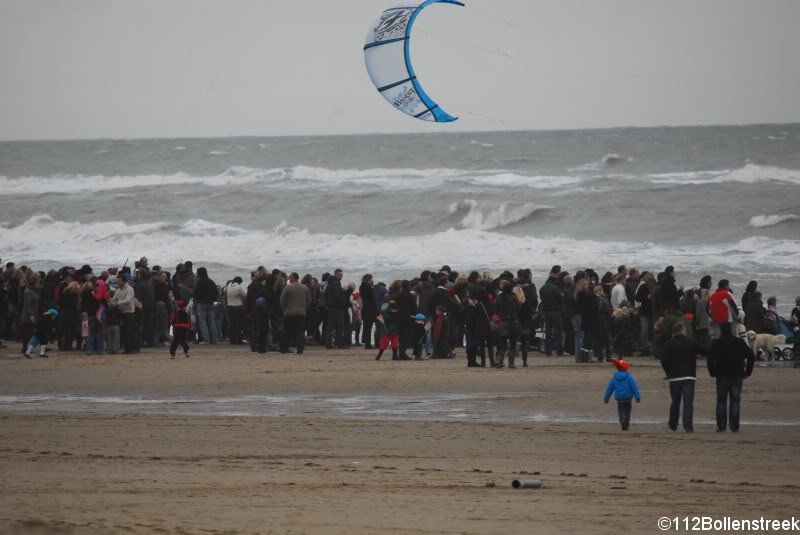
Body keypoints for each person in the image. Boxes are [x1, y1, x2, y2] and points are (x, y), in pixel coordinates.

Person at [707, 322, 755, 432]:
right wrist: (748, 371)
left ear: (721, 331)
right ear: (731, 330)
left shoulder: (717, 343)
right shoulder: (739, 342)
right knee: (735, 400)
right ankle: (734, 426)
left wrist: (712, 372)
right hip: (738, 374)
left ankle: (722, 426)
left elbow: (710, 359)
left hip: (722, 374)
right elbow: (751, 356)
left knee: (721, 400)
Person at [661, 322, 707, 432]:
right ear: (682, 329)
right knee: (688, 402)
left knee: (675, 402)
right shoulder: (691, 341)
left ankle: (673, 424)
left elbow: (663, 360)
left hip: (675, 377)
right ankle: (688, 426)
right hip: (689, 376)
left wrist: (668, 372)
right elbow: (705, 350)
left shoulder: (669, 344)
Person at [603, 357, 641, 431]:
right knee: (628, 411)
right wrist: (637, 397)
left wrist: (606, 398)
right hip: (628, 398)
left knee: (621, 411)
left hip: (620, 398)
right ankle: (626, 423)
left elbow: (609, 389)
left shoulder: (614, 378)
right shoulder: (629, 377)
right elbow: (634, 387)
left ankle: (622, 420)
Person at [279, 272, 312, 354]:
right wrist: (304, 308)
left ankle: (284, 348)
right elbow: (309, 300)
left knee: (287, 331)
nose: (289, 279)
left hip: (289, 313)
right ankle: (300, 349)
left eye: (290, 277)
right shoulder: (304, 287)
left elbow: (282, 300)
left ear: (293, 278)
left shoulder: (288, 288)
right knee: (300, 332)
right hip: (301, 313)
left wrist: (284, 309)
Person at [111, 272, 138, 354]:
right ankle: (126, 348)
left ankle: (130, 349)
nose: (117, 282)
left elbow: (128, 300)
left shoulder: (130, 289)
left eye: (119, 281)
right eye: (117, 281)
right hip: (120, 313)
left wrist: (117, 303)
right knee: (123, 331)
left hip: (129, 313)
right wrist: (111, 303)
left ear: (123, 281)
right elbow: (114, 299)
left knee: (129, 331)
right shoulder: (118, 290)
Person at [539, 270, 564, 356]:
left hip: (546, 312)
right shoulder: (555, 288)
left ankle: (548, 351)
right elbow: (561, 299)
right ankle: (559, 351)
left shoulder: (542, 288)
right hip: (555, 312)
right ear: (554, 279)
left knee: (548, 333)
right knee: (558, 332)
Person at [193, 267, 219, 344]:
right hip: (211, 303)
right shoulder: (211, 281)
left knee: (203, 322)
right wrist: (212, 300)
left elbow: (196, 293)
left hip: (202, 304)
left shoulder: (199, 282)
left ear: (199, 274)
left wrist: (197, 301)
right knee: (212, 321)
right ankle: (214, 339)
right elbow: (216, 293)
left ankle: (206, 339)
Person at [325, 268, 347, 349]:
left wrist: (328, 303)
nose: (341, 276)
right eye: (340, 274)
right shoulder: (336, 283)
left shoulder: (330, 283)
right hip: (338, 307)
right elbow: (337, 295)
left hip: (331, 307)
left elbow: (326, 294)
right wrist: (343, 299)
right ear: (336, 274)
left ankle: (328, 343)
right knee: (340, 326)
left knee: (330, 326)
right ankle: (339, 344)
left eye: (342, 274)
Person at [225, 276, 247, 345]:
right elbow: (245, 296)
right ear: (239, 282)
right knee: (238, 325)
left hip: (229, 307)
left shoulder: (228, 286)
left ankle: (232, 340)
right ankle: (239, 340)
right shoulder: (238, 287)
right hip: (238, 308)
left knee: (232, 324)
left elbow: (223, 291)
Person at [359, 274, 378, 349]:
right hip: (370, 309)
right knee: (369, 327)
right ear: (368, 280)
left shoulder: (361, 286)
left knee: (366, 327)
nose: (372, 281)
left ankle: (367, 343)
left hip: (365, 309)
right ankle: (368, 344)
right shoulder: (368, 287)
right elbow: (372, 299)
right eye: (371, 279)